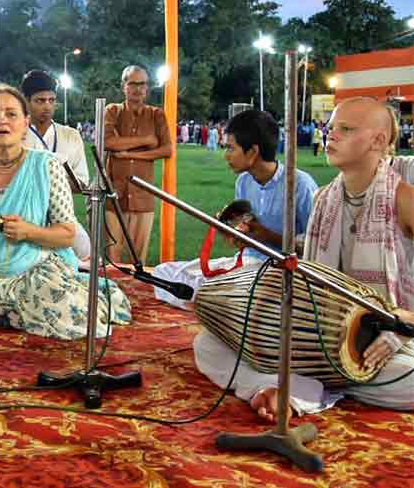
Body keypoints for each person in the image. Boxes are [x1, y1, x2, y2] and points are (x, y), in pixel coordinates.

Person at [194, 96, 414, 418]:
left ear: (379, 141)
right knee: (207, 345)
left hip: (382, 340)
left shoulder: (402, 199)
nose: (330, 135)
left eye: (346, 129)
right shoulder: (325, 198)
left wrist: (399, 327)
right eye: (330, 127)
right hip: (320, 335)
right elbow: (305, 262)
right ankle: (302, 384)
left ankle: (299, 386)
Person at [0, 85, 131, 337]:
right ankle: (7, 311)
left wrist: (29, 232)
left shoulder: (46, 165)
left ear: (25, 124)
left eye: (11, 114)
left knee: (72, 314)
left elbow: (67, 234)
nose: (2, 120)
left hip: (33, 276)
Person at [152, 110, 319, 307]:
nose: (226, 156)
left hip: (279, 273)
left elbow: (316, 247)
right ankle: (216, 305)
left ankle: (218, 304)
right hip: (246, 264)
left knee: (217, 290)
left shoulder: (300, 184)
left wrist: (267, 236)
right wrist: (232, 231)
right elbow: (243, 240)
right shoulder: (244, 181)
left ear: (253, 152)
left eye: (231, 148)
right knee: (164, 273)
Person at [103, 65, 173, 264]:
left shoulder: (156, 114)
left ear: (147, 88)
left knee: (137, 261)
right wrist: (147, 140)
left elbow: (167, 150)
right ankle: (114, 296)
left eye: (142, 84)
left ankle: (135, 295)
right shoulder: (113, 111)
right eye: (133, 83)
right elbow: (108, 142)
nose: (138, 88)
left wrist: (125, 154)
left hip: (143, 197)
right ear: (123, 86)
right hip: (115, 196)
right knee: (114, 261)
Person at [21, 70, 91, 260]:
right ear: (26, 101)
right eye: (40, 100)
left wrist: (50, 181)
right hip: (22, 217)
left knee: (85, 249)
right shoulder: (14, 135)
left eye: (51, 100)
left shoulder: (71, 135)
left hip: (60, 215)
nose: (47, 107)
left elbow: (81, 184)